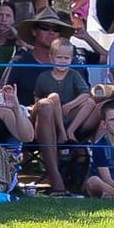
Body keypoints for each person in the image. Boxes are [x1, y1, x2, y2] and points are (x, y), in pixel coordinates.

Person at [29, 36, 101, 195]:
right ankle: (62, 133)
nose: (63, 61)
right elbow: (37, 101)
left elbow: (85, 94)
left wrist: (69, 105)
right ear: (51, 58)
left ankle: (70, 132)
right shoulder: (44, 77)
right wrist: (54, 104)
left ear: (71, 59)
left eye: (66, 58)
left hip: (70, 116)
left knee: (90, 102)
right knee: (53, 97)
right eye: (59, 57)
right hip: (49, 119)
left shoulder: (74, 74)